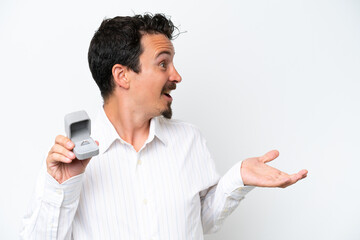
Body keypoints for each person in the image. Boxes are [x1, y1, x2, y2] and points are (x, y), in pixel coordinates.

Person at [20, 13, 308, 239]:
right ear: (122, 76)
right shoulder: (69, 158)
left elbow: (200, 221)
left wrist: (238, 178)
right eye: (162, 64)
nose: (177, 75)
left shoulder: (189, 139)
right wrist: (63, 186)